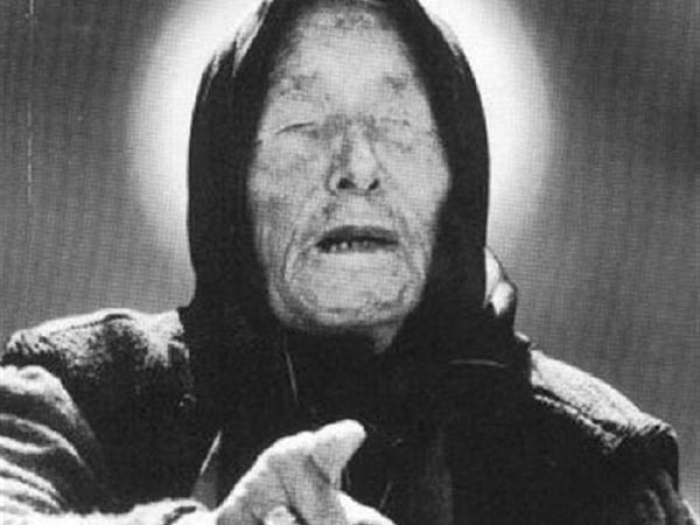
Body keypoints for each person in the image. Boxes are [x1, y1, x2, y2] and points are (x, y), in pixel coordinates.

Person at [0, 0, 696, 523]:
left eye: (398, 126)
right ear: (228, 185)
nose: (357, 167)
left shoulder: (590, 457)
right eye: (303, 125)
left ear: (459, 180)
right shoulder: (83, 388)